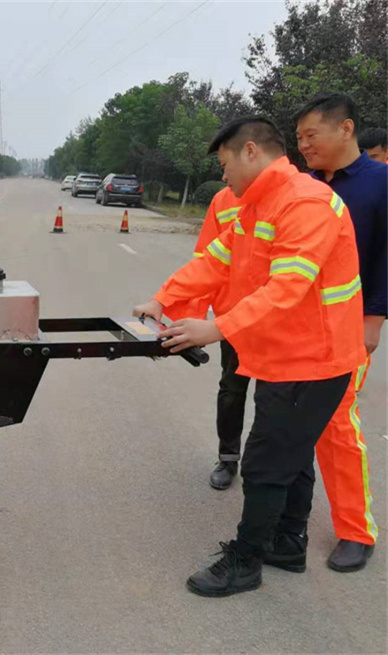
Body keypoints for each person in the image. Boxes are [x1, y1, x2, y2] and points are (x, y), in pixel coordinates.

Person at [134, 116, 365, 597]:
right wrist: (163, 300)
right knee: (292, 455)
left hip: (313, 360)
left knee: (265, 462)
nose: (222, 176)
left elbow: (287, 288)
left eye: (224, 165)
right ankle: (288, 543)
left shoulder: (304, 203)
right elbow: (215, 261)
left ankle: (246, 560)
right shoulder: (258, 206)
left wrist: (216, 328)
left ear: (252, 152)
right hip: (287, 357)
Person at [294, 93, 386, 571]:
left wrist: (374, 319)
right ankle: (285, 520)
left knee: (335, 423)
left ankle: (355, 530)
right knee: (287, 419)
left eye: (311, 135)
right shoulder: (303, 185)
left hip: (349, 326)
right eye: (298, 139)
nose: (304, 146)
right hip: (294, 325)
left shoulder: (381, 182)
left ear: (345, 129)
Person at [164, 187, 249, 490]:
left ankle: (272, 470)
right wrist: (196, 322)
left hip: (276, 322)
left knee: (276, 400)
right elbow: (206, 262)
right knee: (232, 391)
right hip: (232, 320)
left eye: (226, 165)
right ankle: (228, 459)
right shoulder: (223, 200)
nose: (224, 175)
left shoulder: (292, 196)